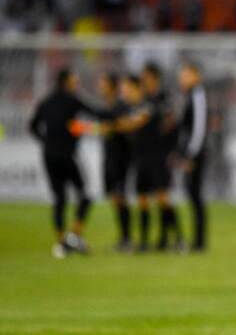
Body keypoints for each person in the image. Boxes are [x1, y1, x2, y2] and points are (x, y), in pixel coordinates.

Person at [29, 68, 110, 258]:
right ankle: (74, 235)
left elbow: (33, 126)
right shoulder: (72, 100)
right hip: (67, 155)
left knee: (59, 198)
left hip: (48, 155)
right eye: (74, 79)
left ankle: (60, 243)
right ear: (66, 81)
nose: (77, 83)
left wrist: (47, 141)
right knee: (85, 193)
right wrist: (115, 115)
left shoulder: (46, 102)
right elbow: (96, 112)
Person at [116, 74, 181, 253]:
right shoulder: (132, 107)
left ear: (137, 88)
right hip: (141, 159)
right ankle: (144, 242)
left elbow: (135, 123)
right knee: (143, 200)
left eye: (127, 88)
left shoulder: (148, 104)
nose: (124, 92)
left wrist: (114, 126)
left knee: (163, 199)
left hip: (156, 159)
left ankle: (178, 239)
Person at [141, 62, 183, 250]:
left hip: (161, 154)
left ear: (155, 78)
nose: (145, 81)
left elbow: (171, 122)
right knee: (147, 197)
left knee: (163, 197)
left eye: (147, 78)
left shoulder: (163, 98)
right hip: (145, 154)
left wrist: (161, 132)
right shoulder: (144, 98)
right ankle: (159, 240)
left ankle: (177, 237)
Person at [97, 72, 133, 251]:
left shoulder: (120, 105)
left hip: (120, 158)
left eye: (103, 83)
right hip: (109, 157)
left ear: (112, 85)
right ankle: (123, 238)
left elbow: (126, 126)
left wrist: (111, 127)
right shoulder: (106, 105)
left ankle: (127, 239)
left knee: (120, 197)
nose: (100, 86)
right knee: (114, 197)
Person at [175, 62, 209, 251]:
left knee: (195, 196)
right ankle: (197, 241)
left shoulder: (197, 94)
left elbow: (199, 129)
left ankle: (199, 242)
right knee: (193, 195)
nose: (182, 79)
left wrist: (190, 156)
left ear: (196, 75)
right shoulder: (191, 94)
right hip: (192, 154)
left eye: (185, 75)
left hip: (196, 155)